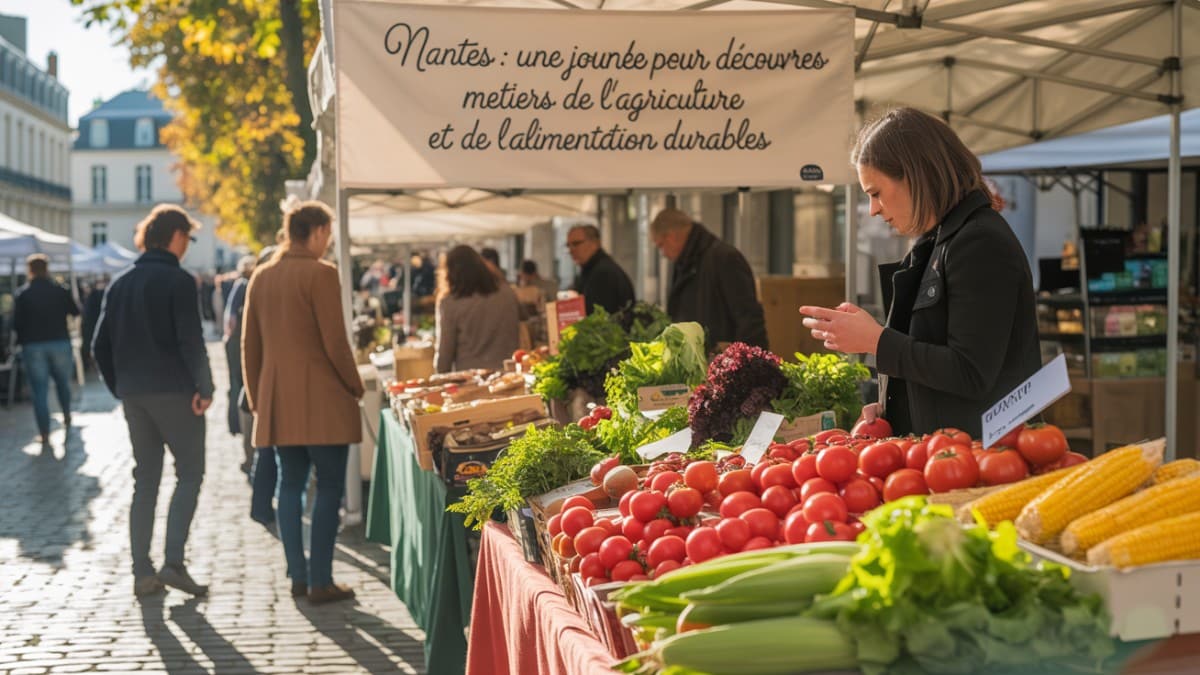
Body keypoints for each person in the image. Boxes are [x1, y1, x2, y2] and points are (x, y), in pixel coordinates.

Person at [799, 107, 1040, 438]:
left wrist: (875, 340)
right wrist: (892, 405)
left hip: (977, 455)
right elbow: (933, 356)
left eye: (876, 193)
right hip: (946, 452)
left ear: (915, 176)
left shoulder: (979, 241)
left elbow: (971, 372)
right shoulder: (938, 242)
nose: (873, 210)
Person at [242, 201, 364, 604]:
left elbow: (249, 346)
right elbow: (335, 342)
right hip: (324, 401)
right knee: (328, 488)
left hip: (279, 403)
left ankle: (298, 574)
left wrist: (259, 400)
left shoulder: (262, 276)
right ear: (316, 231)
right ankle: (320, 580)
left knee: (290, 487)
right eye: (327, 233)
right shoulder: (321, 273)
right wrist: (355, 384)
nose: (328, 241)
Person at [92, 204, 213, 598]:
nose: (188, 245)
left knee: (145, 480)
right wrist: (205, 388)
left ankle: (142, 570)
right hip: (175, 392)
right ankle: (173, 562)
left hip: (135, 395)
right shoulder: (178, 281)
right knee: (190, 473)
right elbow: (191, 340)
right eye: (188, 237)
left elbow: (99, 345)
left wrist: (121, 387)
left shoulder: (120, 284)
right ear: (176, 236)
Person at [650, 209, 767, 349]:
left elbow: (748, 318)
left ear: (671, 237)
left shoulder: (724, 258)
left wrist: (747, 359)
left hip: (723, 358)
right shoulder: (684, 264)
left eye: (661, 245)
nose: (663, 253)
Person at [13, 254, 79, 445]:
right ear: (46, 268)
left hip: (33, 345)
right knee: (63, 384)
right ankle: (66, 415)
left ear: (30, 270)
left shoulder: (23, 294)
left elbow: (16, 324)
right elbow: (75, 311)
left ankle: (44, 432)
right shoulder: (60, 290)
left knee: (39, 391)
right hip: (59, 341)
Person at [435, 245, 520, 373]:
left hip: (469, 378)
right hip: (508, 374)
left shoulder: (450, 303)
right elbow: (523, 320)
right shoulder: (507, 293)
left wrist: (440, 377)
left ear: (450, 273)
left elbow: (445, 352)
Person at [224, 256, 256, 465]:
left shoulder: (241, 285)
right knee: (241, 387)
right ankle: (239, 428)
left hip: (237, 341)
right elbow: (232, 320)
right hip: (240, 342)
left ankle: (239, 429)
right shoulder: (245, 285)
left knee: (239, 386)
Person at [567, 225, 635, 315]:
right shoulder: (591, 269)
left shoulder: (603, 273)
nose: (571, 250)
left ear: (595, 243)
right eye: (568, 245)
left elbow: (595, 317)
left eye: (576, 244)